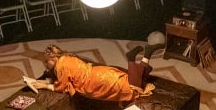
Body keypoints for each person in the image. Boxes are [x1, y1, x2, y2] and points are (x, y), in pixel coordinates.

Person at [28, 44, 162, 102]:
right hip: (99, 72)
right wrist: (46, 81)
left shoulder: (61, 66)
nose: (46, 64)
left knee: (132, 87)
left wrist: (45, 86)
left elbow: (62, 87)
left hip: (95, 82)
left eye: (47, 61)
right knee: (137, 81)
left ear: (53, 58)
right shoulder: (68, 57)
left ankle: (133, 59)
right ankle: (146, 55)